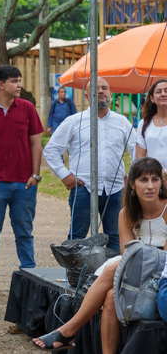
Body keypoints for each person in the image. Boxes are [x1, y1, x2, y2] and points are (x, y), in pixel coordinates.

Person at [36, 157, 167, 354]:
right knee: (109, 296)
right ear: (132, 185)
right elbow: (130, 257)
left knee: (112, 268)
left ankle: (68, 330)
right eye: (143, 180)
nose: (150, 186)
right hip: (134, 274)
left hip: (161, 275)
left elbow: (162, 259)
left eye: (155, 179)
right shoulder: (126, 214)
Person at [44, 77, 134, 252]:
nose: (100, 91)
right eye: (95, 88)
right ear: (86, 96)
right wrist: (64, 174)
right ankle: (76, 279)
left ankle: (110, 277)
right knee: (77, 237)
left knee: (115, 236)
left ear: (111, 94)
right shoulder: (74, 121)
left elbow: (137, 151)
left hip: (115, 190)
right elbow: (51, 150)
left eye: (104, 88)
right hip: (83, 187)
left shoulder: (122, 122)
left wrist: (131, 178)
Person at [0, 65, 43, 295]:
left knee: (24, 231)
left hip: (25, 184)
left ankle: (29, 273)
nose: (19, 85)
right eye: (14, 81)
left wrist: (35, 175)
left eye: (20, 80)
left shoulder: (27, 108)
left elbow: (36, 142)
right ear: (1, 84)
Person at [134, 78, 167, 165]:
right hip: (153, 176)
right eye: (158, 92)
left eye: (166, 91)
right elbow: (140, 158)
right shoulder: (144, 123)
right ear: (152, 98)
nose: (163, 94)